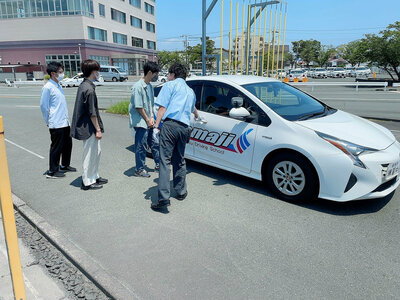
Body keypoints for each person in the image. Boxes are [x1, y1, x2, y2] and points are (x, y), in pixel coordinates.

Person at [151, 63, 200, 210]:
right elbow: (193, 109)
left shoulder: (169, 86)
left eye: (168, 74)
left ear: (172, 74)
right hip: (184, 128)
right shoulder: (190, 91)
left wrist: (156, 127)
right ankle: (181, 191)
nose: (167, 76)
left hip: (170, 125)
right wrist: (198, 116)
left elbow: (162, 108)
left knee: (165, 161)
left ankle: (164, 199)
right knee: (179, 159)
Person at [70, 59, 107, 190]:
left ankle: (94, 175)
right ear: (93, 72)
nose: (98, 73)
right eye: (97, 71)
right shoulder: (89, 89)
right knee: (90, 154)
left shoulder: (85, 85)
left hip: (87, 126)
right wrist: (98, 129)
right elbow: (92, 113)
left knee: (96, 152)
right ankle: (87, 181)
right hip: (88, 127)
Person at [40, 61, 76, 179]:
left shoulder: (58, 85)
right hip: (56, 123)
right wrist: (48, 121)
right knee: (56, 147)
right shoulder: (48, 87)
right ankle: (52, 171)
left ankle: (65, 165)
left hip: (64, 121)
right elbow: (44, 106)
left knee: (67, 145)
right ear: (53, 73)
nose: (62, 74)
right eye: (60, 72)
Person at [129, 61, 160, 177]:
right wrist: (147, 120)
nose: (156, 76)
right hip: (141, 121)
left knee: (154, 142)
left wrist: (152, 117)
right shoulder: (138, 87)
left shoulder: (149, 86)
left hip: (148, 119)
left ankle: (158, 164)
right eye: (155, 74)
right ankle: (139, 169)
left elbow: (151, 104)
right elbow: (139, 107)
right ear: (150, 72)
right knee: (141, 145)